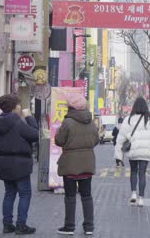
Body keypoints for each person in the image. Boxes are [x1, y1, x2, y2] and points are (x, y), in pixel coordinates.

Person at [0, 94, 39, 235]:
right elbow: (35, 135)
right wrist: (29, 117)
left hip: (3, 163)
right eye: (19, 105)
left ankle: (7, 225)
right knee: (24, 193)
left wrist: (4, 147)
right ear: (15, 107)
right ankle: (21, 225)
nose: (21, 107)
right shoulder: (17, 122)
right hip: (20, 163)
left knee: (9, 193)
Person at [54, 94, 99, 236]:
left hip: (70, 164)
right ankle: (89, 227)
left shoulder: (67, 122)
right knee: (87, 196)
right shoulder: (91, 123)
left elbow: (59, 141)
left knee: (70, 196)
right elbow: (96, 140)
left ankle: (69, 226)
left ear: (71, 107)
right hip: (87, 162)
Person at [115, 97, 150, 207]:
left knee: (134, 171)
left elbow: (120, 138)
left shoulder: (129, 119)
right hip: (146, 151)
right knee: (142, 173)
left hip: (133, 150)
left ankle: (134, 193)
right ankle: (141, 199)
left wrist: (118, 156)